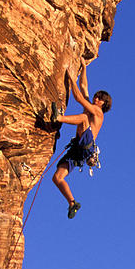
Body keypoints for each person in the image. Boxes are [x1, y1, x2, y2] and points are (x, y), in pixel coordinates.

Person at [51, 61, 112, 218]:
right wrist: (84, 69)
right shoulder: (91, 107)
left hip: (86, 145)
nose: (96, 98)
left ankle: (57, 117)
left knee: (85, 118)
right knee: (57, 177)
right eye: (97, 96)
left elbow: (78, 96)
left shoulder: (98, 113)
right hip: (78, 148)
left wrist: (71, 77)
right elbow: (84, 88)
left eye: (100, 98)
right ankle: (72, 203)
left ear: (103, 104)